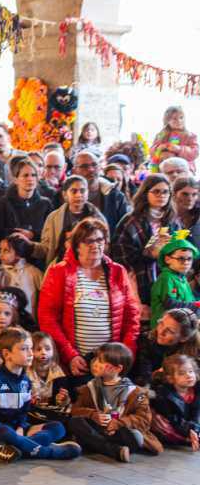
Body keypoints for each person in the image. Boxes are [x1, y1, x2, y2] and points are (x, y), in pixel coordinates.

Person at [39, 218, 140, 376]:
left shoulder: (118, 272)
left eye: (100, 239)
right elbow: (47, 317)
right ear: (77, 246)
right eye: (88, 241)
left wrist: (123, 355)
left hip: (111, 361)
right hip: (76, 361)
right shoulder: (59, 272)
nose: (95, 245)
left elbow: (132, 316)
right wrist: (70, 354)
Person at [0, 328, 82, 462]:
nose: (30, 353)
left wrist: (21, 427)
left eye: (30, 348)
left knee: (58, 428)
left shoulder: (25, 381)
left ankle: (19, 446)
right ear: (7, 354)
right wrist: (3, 428)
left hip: (16, 430)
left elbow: (24, 411)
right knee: (5, 431)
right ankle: (48, 452)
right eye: (24, 349)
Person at [68, 342, 161, 462]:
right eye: (95, 358)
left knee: (135, 436)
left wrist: (118, 423)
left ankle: (97, 444)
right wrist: (93, 415)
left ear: (117, 368)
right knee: (75, 422)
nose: (95, 363)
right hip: (98, 429)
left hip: (118, 432)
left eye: (100, 361)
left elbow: (144, 419)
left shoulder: (134, 392)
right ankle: (114, 450)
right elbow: (75, 410)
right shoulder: (90, 387)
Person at [113, 174, 178, 311]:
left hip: (167, 282)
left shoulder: (172, 220)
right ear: (145, 193)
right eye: (156, 191)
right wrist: (148, 253)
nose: (161, 195)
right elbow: (120, 257)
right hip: (138, 283)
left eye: (165, 192)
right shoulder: (130, 221)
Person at [72, 150, 131, 233]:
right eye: (84, 166)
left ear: (100, 167)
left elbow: (125, 230)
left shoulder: (116, 196)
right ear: (74, 171)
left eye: (94, 165)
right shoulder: (66, 195)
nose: (91, 169)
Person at [150, 354, 200, 449]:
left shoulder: (197, 390)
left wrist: (194, 429)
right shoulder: (163, 394)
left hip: (190, 424)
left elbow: (196, 415)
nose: (188, 375)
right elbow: (173, 418)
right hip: (175, 425)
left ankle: (194, 437)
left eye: (191, 371)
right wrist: (189, 430)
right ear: (171, 378)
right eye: (182, 373)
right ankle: (186, 440)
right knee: (161, 423)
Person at [150, 106, 199, 172]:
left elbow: (195, 153)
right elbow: (151, 151)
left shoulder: (190, 135)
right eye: (174, 119)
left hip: (184, 169)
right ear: (167, 121)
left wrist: (179, 149)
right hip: (164, 169)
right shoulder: (161, 135)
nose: (179, 121)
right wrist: (159, 148)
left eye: (181, 118)